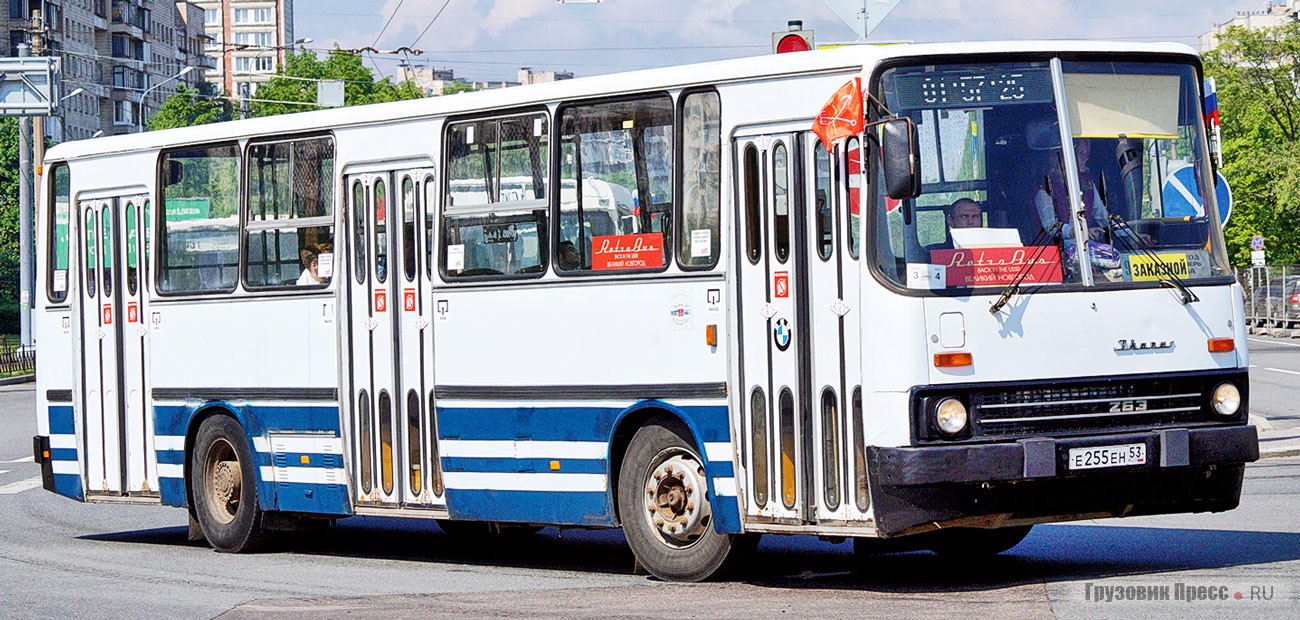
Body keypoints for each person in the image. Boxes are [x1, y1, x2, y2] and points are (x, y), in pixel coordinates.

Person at [1035, 139, 1110, 241]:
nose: (1086, 158)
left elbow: (1102, 216)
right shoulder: (1045, 188)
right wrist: (1074, 232)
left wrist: (1123, 228)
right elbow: (1051, 226)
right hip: (1057, 251)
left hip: (1087, 250)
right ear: (1065, 157)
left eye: (1087, 153)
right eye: (1081, 153)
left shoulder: (1088, 183)